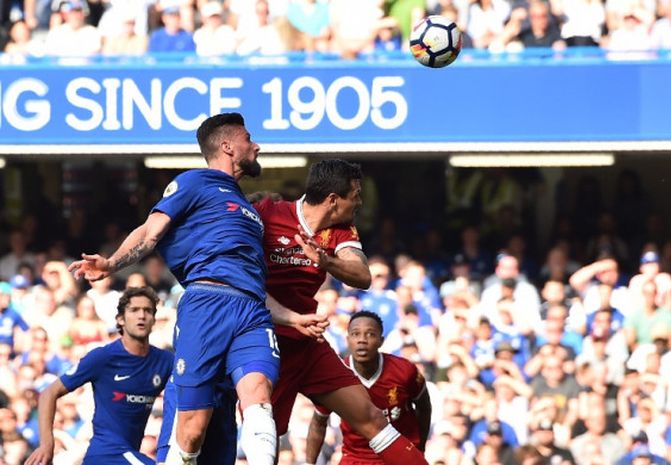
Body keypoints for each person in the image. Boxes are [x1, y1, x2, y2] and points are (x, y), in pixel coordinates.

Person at [67, 113, 316, 465]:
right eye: (249, 138)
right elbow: (150, 231)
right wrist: (111, 263)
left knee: (259, 398)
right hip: (207, 304)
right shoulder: (195, 182)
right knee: (193, 429)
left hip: (252, 312)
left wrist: (292, 318)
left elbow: (253, 284)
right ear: (228, 146)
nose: (256, 145)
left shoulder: (248, 210)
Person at [254, 159, 431, 464]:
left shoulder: (340, 229)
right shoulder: (268, 214)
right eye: (356, 194)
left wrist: (326, 262)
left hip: (309, 342)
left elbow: (362, 275)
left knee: (371, 417)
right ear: (334, 200)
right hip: (267, 340)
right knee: (266, 435)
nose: (360, 202)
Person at [24, 287, 173, 465]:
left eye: (147, 310)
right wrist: (47, 444)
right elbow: (49, 393)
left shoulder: (165, 361)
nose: (141, 315)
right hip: (106, 454)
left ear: (153, 319)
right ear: (121, 320)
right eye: (134, 310)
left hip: (130, 453)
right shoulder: (103, 357)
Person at [305, 311, 432, 463]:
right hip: (357, 457)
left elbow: (424, 406)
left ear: (381, 340)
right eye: (355, 334)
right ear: (347, 340)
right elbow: (318, 422)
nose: (362, 340)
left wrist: (420, 448)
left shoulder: (404, 370)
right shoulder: (335, 376)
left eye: (370, 334)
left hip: (400, 451)